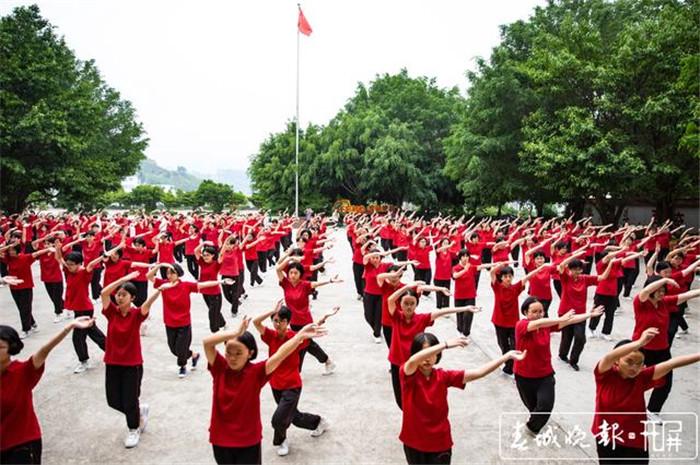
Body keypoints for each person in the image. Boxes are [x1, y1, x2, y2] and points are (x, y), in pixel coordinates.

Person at [203, 316, 326, 465]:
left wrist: (299, 336)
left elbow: (281, 353)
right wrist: (234, 332)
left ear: (250, 353)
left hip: (248, 442)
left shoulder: (256, 373)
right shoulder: (219, 368)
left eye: (238, 353)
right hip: (220, 440)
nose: (232, 358)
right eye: (228, 352)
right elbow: (207, 343)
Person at [400, 332, 525, 464]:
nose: (427, 359)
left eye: (431, 354)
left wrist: (506, 356)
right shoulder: (407, 374)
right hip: (414, 442)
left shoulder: (443, 376)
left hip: (440, 442)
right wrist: (445, 344)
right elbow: (413, 361)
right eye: (424, 353)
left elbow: (478, 372)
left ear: (437, 356)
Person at [592, 328, 700, 464]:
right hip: (607, 436)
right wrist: (640, 342)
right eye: (629, 362)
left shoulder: (642, 377)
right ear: (617, 361)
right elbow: (609, 357)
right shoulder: (605, 375)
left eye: (639, 364)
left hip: (635, 440)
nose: (634, 368)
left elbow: (672, 363)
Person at [0, 317, 95, 464]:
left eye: (0, 347)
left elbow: (44, 350)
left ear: (11, 348)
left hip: (21, 444)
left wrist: (68, 327)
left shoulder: (22, 372)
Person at [252, 302, 337, 456]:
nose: (278, 324)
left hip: (292, 385)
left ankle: (281, 440)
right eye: (275, 321)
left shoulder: (295, 338)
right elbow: (256, 322)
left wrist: (325, 316)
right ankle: (318, 422)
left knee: (278, 419)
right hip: (275, 384)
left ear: (288, 322)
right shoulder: (270, 336)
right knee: (294, 417)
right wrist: (273, 310)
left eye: (282, 321)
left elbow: (310, 328)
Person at [514, 297, 603, 435]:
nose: (538, 314)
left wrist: (589, 315)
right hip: (524, 376)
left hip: (545, 375)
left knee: (545, 406)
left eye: (541, 311)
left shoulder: (546, 327)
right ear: (525, 312)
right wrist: (560, 319)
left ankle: (531, 428)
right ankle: (534, 421)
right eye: (534, 311)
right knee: (533, 408)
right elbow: (541, 323)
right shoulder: (522, 325)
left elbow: (571, 320)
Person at [387, 282, 480, 409]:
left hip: (417, 364)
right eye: (405, 303)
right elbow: (390, 299)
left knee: (415, 398)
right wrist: (408, 287)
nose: (409, 307)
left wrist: (465, 308)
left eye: (412, 303)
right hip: (397, 363)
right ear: (400, 304)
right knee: (400, 400)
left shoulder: (421, 319)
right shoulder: (396, 317)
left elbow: (441, 312)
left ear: (416, 304)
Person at [100, 271, 158, 448]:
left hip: (132, 364)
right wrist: (122, 280)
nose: (119, 297)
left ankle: (134, 428)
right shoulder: (111, 313)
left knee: (130, 399)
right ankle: (139, 412)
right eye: (118, 294)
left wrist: (159, 289)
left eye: (123, 295)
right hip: (112, 362)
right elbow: (103, 293)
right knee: (113, 400)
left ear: (132, 298)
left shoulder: (136, 315)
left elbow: (148, 303)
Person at [632, 276, 700, 421]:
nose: (662, 293)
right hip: (641, 347)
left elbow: (688, 295)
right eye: (659, 290)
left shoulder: (664, 303)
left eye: (664, 290)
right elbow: (645, 291)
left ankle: (652, 410)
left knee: (664, 381)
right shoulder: (641, 303)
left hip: (662, 349)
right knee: (634, 379)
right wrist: (666, 280)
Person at [147, 263, 233, 378]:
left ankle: (182, 366)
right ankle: (194, 355)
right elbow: (149, 276)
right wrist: (160, 265)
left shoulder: (186, 286)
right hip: (169, 322)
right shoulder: (163, 284)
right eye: (168, 272)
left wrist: (221, 282)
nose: (169, 275)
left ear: (178, 274)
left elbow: (203, 285)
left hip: (184, 323)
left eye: (172, 272)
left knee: (181, 348)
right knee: (174, 349)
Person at [274, 257, 341, 372]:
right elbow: (278, 269)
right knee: (307, 344)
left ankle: (297, 370)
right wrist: (289, 257)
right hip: (292, 321)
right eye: (291, 272)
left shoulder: (305, 285)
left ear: (300, 274)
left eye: (296, 273)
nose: (293, 275)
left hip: (305, 321)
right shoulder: (285, 284)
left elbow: (316, 284)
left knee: (302, 345)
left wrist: (329, 281)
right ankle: (327, 361)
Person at [556, 250, 613, 371]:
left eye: (579, 269)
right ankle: (562, 355)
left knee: (580, 337)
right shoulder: (566, 278)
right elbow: (561, 266)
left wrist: (610, 264)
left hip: (581, 314)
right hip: (566, 312)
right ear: (570, 270)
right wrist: (574, 256)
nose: (577, 272)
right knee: (567, 336)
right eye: (574, 269)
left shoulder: (585, 279)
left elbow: (602, 277)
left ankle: (574, 360)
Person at [55, 249, 107, 373]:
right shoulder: (69, 270)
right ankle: (112, 351)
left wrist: (102, 256)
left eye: (72, 264)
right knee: (94, 333)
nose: (69, 266)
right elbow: (59, 259)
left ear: (79, 264)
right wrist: (57, 248)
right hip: (78, 310)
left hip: (85, 309)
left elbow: (90, 265)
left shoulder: (84, 272)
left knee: (78, 337)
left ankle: (84, 361)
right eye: (68, 264)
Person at [489, 261, 545, 377]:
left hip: (513, 323)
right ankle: (508, 366)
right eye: (505, 277)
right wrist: (502, 264)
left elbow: (527, 277)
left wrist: (539, 269)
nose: (508, 279)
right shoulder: (497, 287)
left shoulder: (515, 288)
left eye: (510, 276)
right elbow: (492, 272)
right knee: (503, 345)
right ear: (501, 278)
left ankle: (512, 368)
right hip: (499, 322)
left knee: (515, 345)